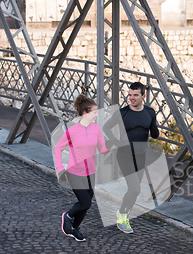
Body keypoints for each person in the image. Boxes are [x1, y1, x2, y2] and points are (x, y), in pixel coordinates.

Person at [103, 82, 159, 234]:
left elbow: (154, 133)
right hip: (124, 155)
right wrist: (115, 142)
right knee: (135, 188)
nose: (131, 98)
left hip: (141, 155)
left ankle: (125, 213)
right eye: (130, 95)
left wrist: (154, 129)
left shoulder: (150, 112)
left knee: (133, 190)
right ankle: (121, 215)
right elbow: (106, 127)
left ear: (143, 96)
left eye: (135, 95)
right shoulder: (123, 113)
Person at [54, 94, 111, 241]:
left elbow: (102, 148)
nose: (96, 115)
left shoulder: (96, 129)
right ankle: (67, 216)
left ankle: (74, 228)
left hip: (91, 173)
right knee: (85, 202)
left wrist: (110, 145)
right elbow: (58, 148)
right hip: (74, 172)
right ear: (85, 113)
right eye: (94, 112)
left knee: (86, 205)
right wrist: (60, 169)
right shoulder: (72, 131)